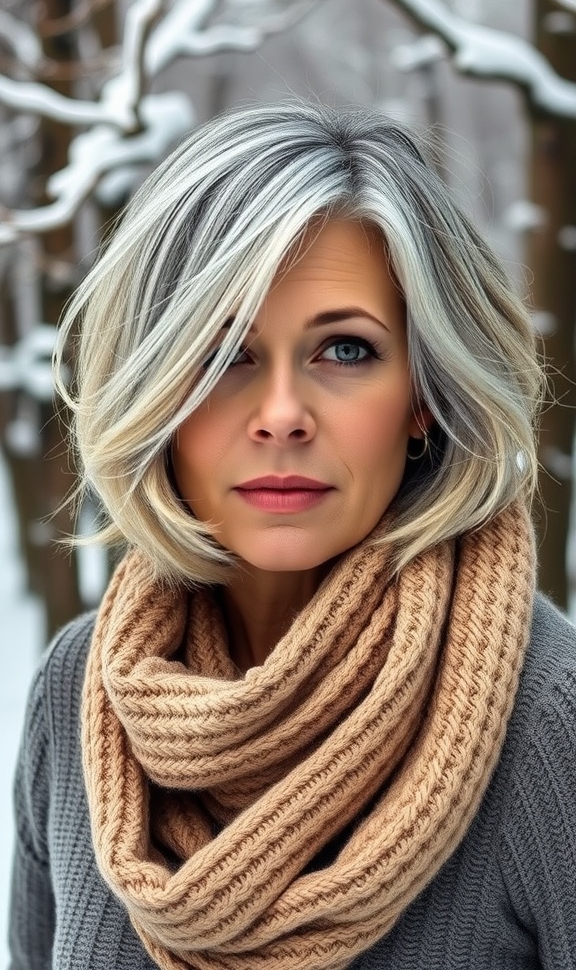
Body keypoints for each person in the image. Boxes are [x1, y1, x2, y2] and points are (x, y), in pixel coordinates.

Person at [8, 103, 576, 970]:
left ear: (424, 393)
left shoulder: (548, 721)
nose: (280, 417)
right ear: (157, 393)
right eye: (223, 351)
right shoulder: (75, 691)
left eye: (345, 351)